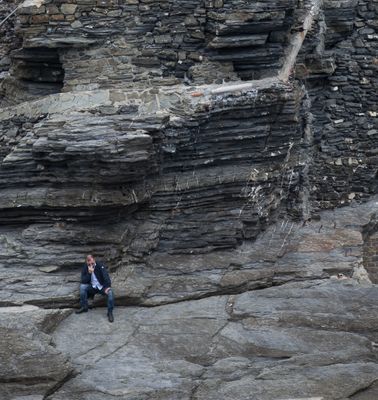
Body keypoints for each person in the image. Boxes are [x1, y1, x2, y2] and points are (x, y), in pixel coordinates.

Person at [75, 255, 114, 322]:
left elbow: (106, 277)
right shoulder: (85, 267)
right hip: (92, 287)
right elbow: (83, 280)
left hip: (101, 287)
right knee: (82, 287)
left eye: (92, 263)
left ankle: (109, 312)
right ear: (87, 262)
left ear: (94, 260)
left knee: (110, 293)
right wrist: (89, 273)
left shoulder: (100, 265)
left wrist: (107, 287)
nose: (91, 265)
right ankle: (84, 307)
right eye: (89, 263)